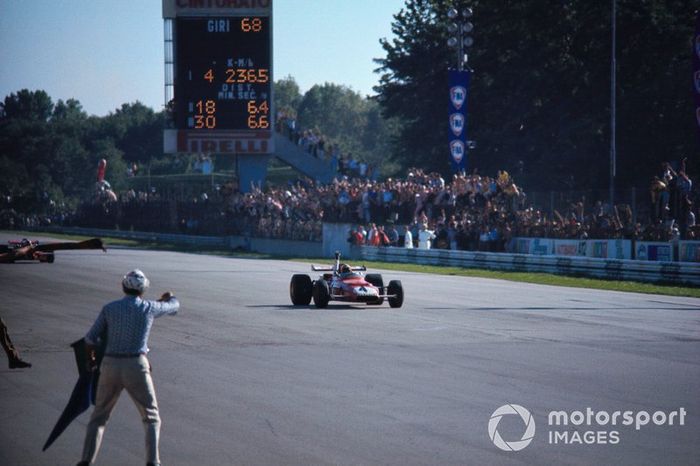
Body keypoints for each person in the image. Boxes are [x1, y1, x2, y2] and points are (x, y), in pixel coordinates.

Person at [77, 269, 179, 466]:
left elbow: (90, 338)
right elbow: (174, 306)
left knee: (99, 417)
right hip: (136, 365)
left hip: (110, 365)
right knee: (151, 417)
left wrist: (91, 360)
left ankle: (86, 461)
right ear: (144, 289)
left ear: (124, 286)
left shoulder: (109, 308)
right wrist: (169, 297)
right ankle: (153, 462)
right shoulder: (149, 308)